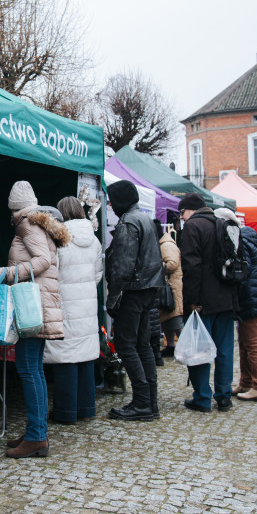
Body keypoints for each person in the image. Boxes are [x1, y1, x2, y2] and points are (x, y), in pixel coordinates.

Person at [0, 181, 70, 458]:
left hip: (32, 306)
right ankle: (37, 431)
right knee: (35, 370)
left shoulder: (26, 224)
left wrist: (4, 274)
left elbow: (42, 261)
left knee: (29, 370)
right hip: (42, 303)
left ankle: (36, 437)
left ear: (14, 207)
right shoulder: (41, 223)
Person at [104, 180, 165, 422]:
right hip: (147, 288)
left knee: (126, 345)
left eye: (111, 200)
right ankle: (149, 401)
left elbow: (122, 267)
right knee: (143, 345)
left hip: (133, 290)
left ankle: (142, 402)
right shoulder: (144, 218)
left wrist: (113, 298)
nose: (109, 204)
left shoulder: (129, 222)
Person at [44, 196, 104, 424]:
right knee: (85, 357)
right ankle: (86, 408)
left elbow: (51, 272)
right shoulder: (95, 240)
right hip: (87, 304)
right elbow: (98, 273)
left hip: (65, 305)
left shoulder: (59, 239)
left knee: (65, 357)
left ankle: (65, 411)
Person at [177, 193, 239, 413]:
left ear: (191, 210)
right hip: (227, 298)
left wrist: (192, 301)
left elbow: (191, 267)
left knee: (199, 349)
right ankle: (224, 397)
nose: (181, 218)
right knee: (224, 350)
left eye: (182, 212)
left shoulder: (193, 227)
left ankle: (202, 398)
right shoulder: (221, 223)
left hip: (203, 301)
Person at [226, 212, 257, 402]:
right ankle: (246, 382)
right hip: (254, 295)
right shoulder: (248, 238)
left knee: (252, 344)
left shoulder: (241, 242)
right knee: (246, 343)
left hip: (250, 296)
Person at [155, 219, 184, 359]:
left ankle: (186, 347)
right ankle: (171, 346)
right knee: (167, 319)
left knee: (175, 318)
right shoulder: (164, 243)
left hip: (172, 287)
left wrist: (155, 264)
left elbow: (172, 264)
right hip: (168, 287)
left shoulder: (166, 245)